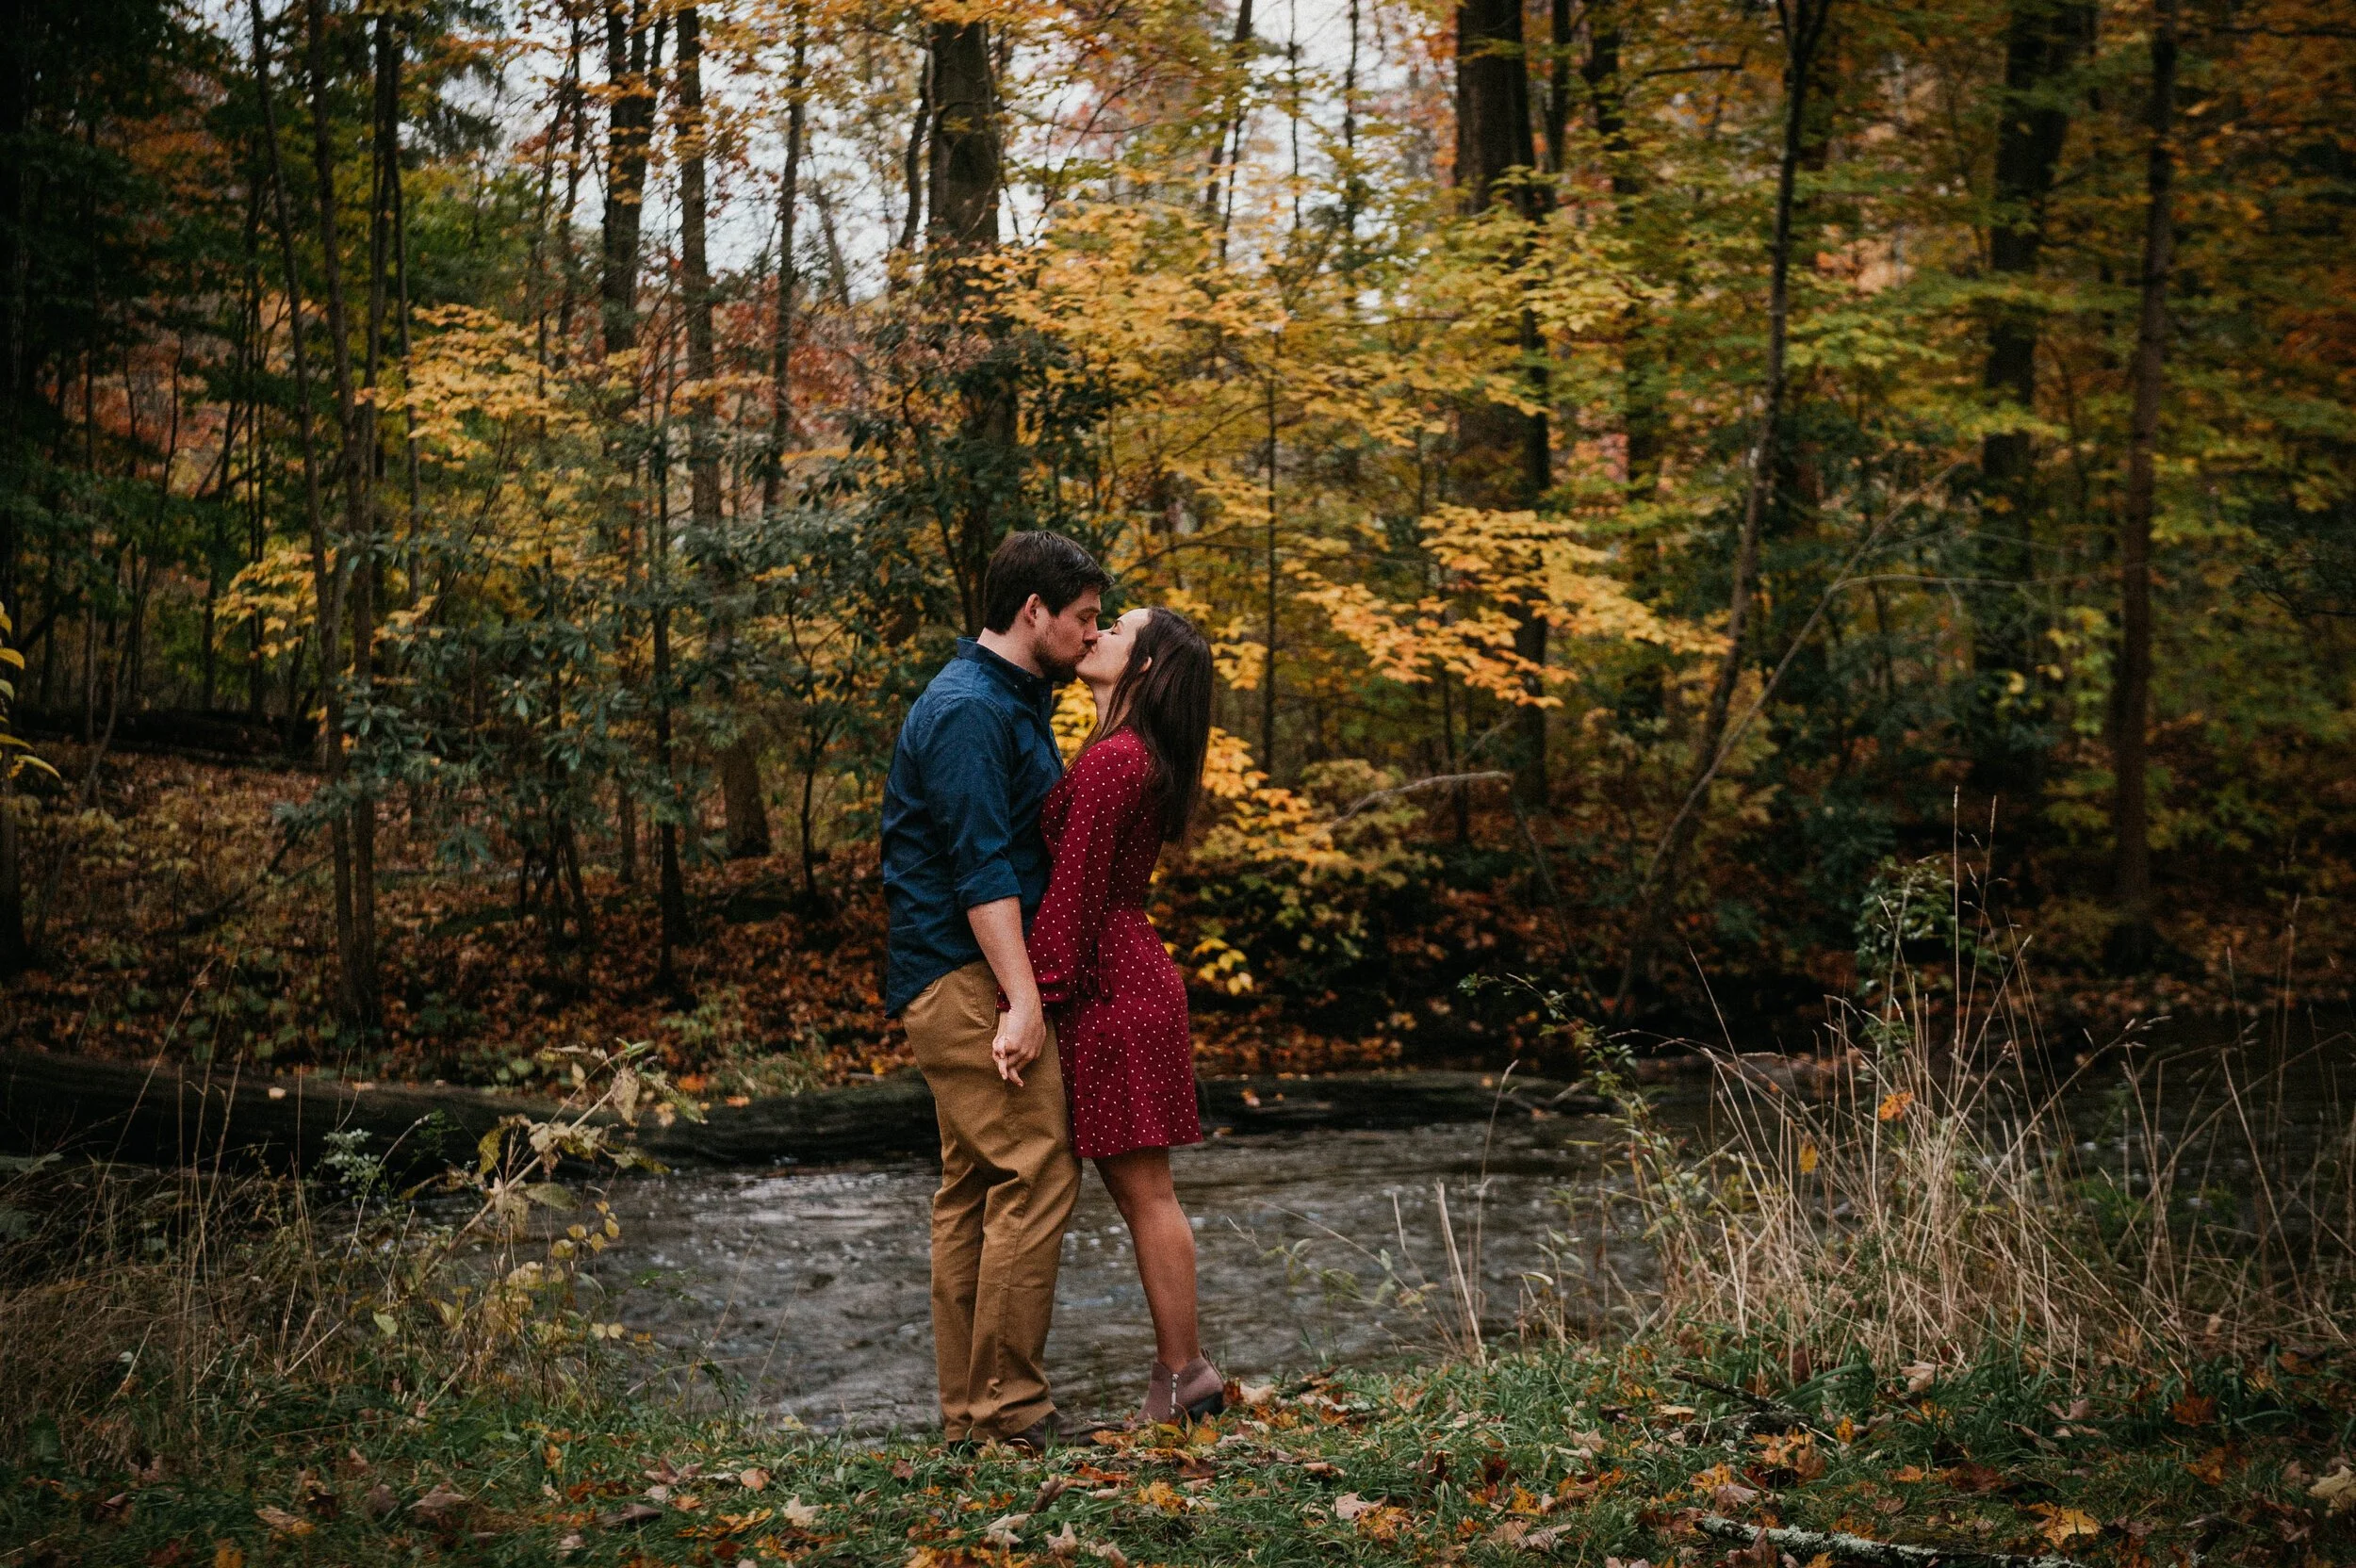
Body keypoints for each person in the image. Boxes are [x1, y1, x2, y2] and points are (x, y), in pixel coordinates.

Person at [880, 531, 1112, 1450]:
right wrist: (1020, 999)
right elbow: (980, 868)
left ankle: (972, 1418)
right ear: (1033, 612)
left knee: (977, 1183)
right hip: (963, 972)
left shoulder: (1010, 700)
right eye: (1084, 619)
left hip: (964, 971)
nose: (1090, 635)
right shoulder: (972, 709)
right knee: (1038, 1163)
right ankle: (1008, 1415)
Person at [1017, 605, 1224, 1426]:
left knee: (1147, 1195)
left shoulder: (1116, 763)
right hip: (1127, 976)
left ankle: (1183, 1376)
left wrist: (1024, 1003)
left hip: (1112, 986)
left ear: (1145, 667)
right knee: (1145, 1193)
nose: (1095, 634)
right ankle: (1180, 1377)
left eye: (1118, 630)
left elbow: (1072, 899)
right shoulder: (1125, 754)